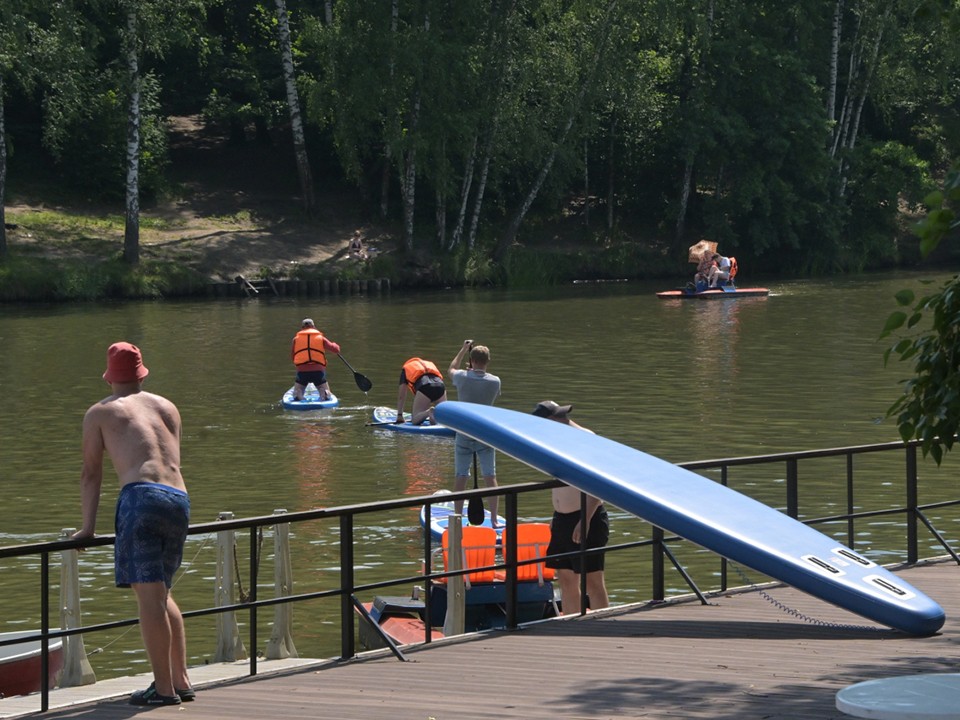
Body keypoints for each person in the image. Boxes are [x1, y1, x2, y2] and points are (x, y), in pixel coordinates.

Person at [72, 342, 194, 706]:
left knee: (148, 598)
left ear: (109, 376)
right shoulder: (167, 407)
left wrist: (87, 528)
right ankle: (181, 679)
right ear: (142, 372)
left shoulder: (101, 413)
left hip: (140, 499)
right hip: (178, 500)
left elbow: (90, 473)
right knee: (162, 592)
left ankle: (163, 689)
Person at [532, 400, 609, 613]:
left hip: (587, 518)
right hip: (562, 519)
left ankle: (604, 625)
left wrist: (585, 520)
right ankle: (571, 623)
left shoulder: (587, 439)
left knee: (592, 581)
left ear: (554, 420)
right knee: (565, 579)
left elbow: (599, 486)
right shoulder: (556, 442)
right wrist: (557, 517)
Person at [448, 340, 502, 524]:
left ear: (471, 360)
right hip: (485, 433)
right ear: (488, 361)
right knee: (490, 476)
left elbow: (451, 369)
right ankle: (494, 519)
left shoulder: (462, 377)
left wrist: (463, 349)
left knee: (461, 476)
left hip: (464, 432)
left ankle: (457, 517)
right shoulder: (495, 382)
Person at [291, 318, 341, 401]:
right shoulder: (320, 338)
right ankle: (323, 392)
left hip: (302, 371)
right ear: (313, 326)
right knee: (323, 387)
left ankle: (299, 393)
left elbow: (293, 357)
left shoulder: (296, 339)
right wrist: (335, 344)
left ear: (302, 328)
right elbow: (336, 350)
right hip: (318, 371)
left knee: (299, 388)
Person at [396, 357, 447, 425]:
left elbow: (401, 396)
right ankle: (434, 418)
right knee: (445, 416)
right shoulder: (429, 363)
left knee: (415, 420)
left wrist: (400, 415)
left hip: (425, 386)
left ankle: (429, 412)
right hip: (440, 386)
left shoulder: (405, 369)